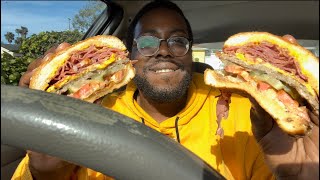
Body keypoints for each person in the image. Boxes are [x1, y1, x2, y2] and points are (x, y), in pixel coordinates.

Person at [14, 1, 319, 180]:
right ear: (130, 54)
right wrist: (46, 174)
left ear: (190, 52)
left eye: (177, 41)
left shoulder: (253, 118)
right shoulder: (88, 114)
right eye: (147, 42)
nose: (163, 51)